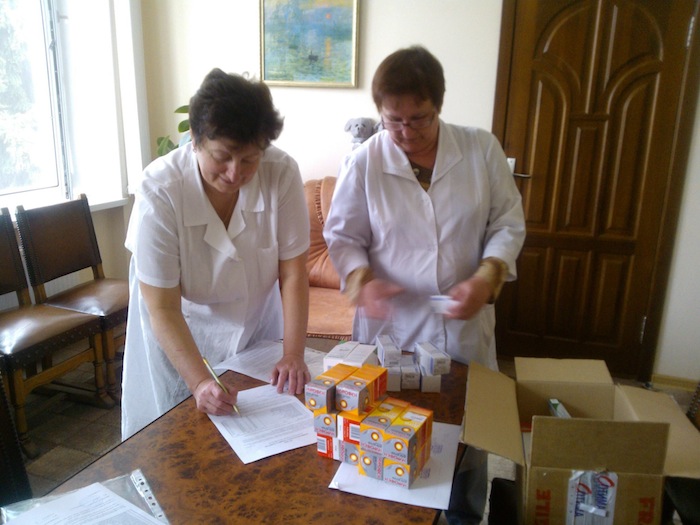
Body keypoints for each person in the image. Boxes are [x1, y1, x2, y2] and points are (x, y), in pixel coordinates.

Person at [323, 46, 526, 524]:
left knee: (467, 441)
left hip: (464, 325)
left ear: (439, 106)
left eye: (420, 119)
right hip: (393, 328)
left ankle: (464, 515)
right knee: (389, 441)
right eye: (393, 120)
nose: (406, 132)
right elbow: (343, 236)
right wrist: (361, 280)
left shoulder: (480, 149)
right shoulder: (366, 161)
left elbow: (507, 223)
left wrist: (487, 276)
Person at [121, 69, 311, 440]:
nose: (234, 173)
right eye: (222, 157)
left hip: (255, 320)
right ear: (195, 140)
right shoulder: (160, 190)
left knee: (260, 430)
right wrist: (198, 382)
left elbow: (293, 273)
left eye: (249, 160)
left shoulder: (281, 173)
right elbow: (163, 308)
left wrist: (293, 354)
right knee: (181, 435)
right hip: (182, 327)